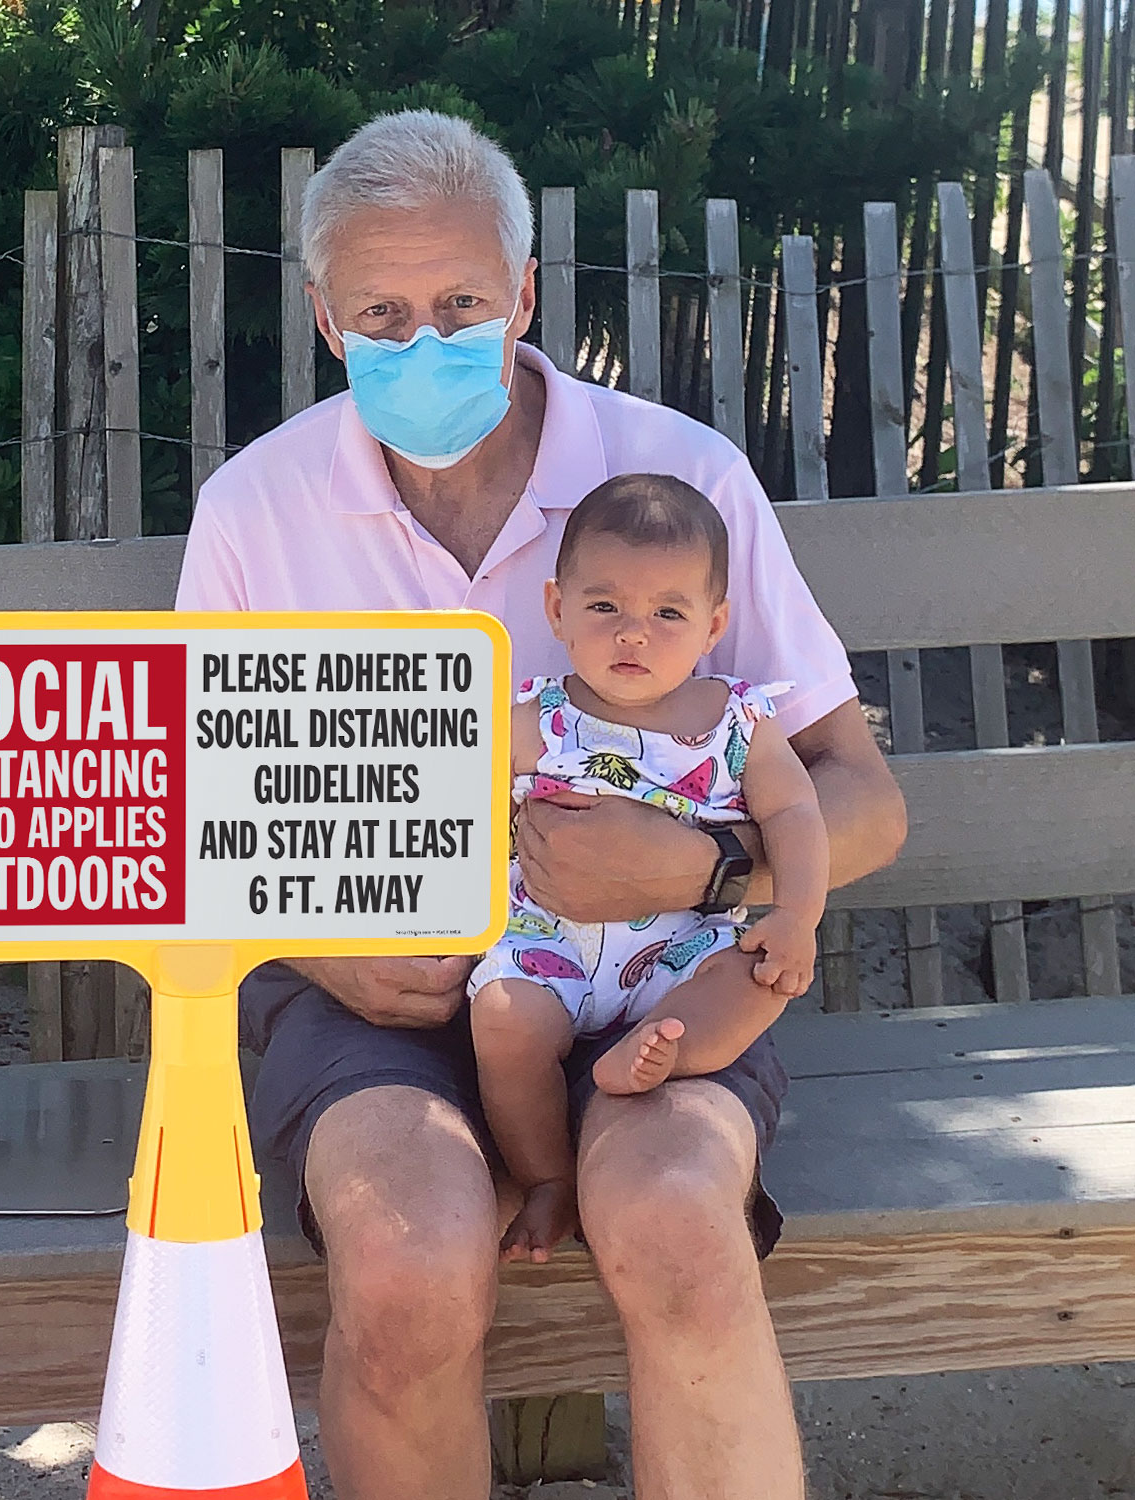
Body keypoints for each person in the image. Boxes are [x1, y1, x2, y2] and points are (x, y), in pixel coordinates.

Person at [176, 108, 906, 1500]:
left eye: (461, 304)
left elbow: (863, 799)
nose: (426, 340)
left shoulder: (679, 481)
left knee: (680, 1227)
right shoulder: (257, 510)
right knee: (405, 1264)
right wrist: (322, 949)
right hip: (371, 994)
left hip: (658, 979)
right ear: (326, 321)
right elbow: (197, 816)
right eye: (382, 314)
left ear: (523, 293)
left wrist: (700, 871)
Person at [469, 473, 830, 1265]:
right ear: (557, 610)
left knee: (757, 979)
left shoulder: (738, 722)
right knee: (500, 1020)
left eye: (668, 613)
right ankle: (546, 1176)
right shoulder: (532, 719)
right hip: (550, 944)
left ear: (713, 625)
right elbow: (451, 808)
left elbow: (796, 815)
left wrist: (796, 915)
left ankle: (669, 1051)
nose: (633, 634)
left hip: (684, 948)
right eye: (605, 607)